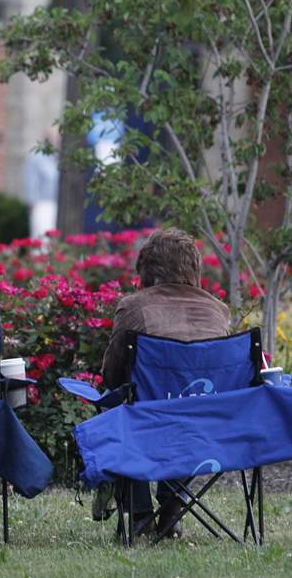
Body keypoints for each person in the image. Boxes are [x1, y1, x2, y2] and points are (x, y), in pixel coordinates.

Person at [96, 227, 231, 538]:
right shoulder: (218, 312)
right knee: (185, 410)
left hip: (149, 422)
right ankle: (172, 507)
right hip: (208, 425)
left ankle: (140, 513)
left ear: (147, 269)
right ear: (195, 268)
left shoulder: (134, 307)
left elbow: (112, 376)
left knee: (121, 409)